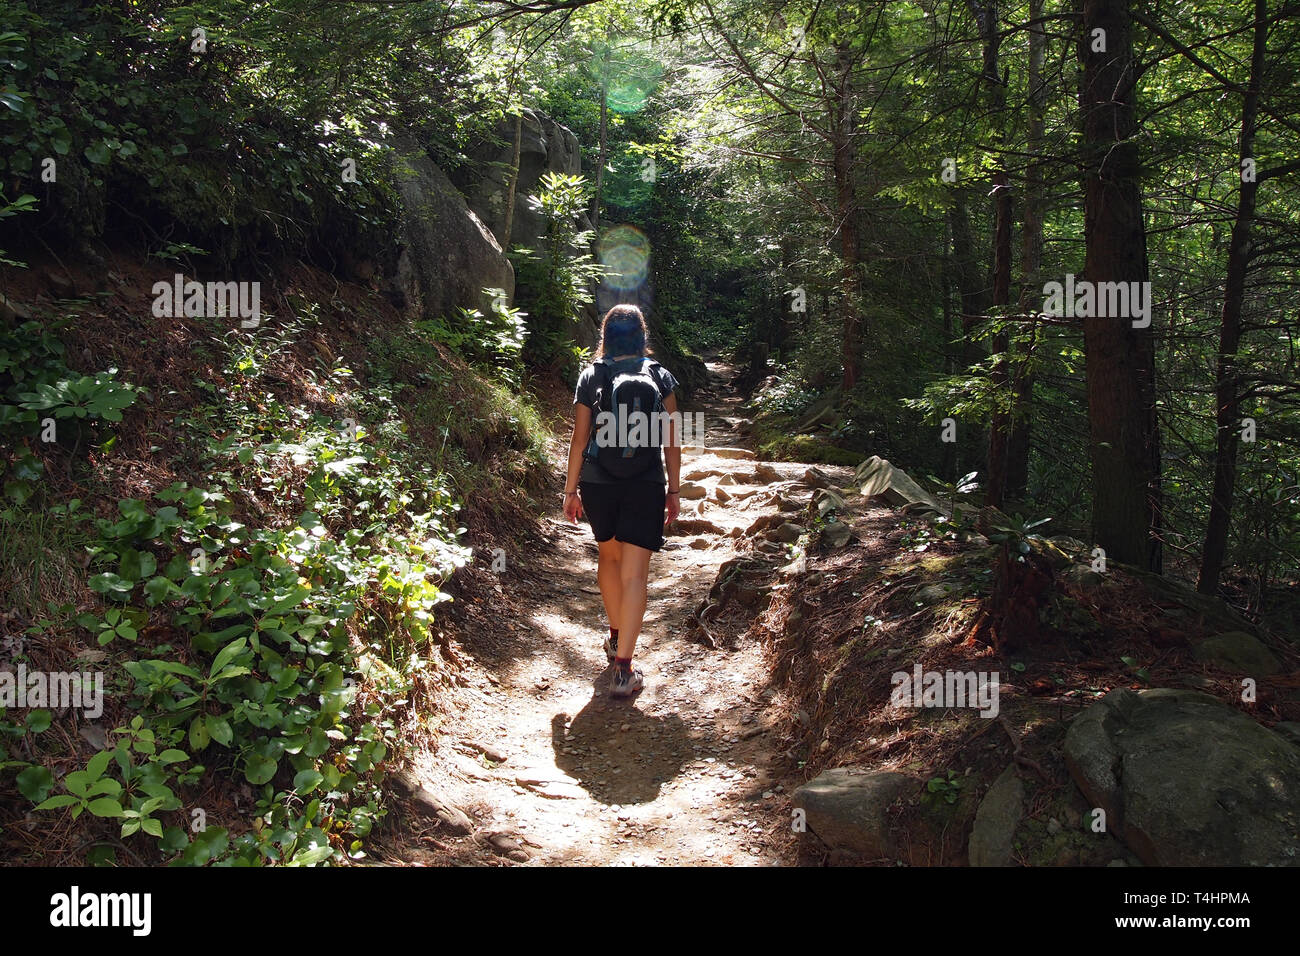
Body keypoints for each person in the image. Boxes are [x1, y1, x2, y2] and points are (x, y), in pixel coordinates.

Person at [563, 304, 681, 698]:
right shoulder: (660, 376)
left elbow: (580, 440)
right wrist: (674, 490)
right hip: (645, 483)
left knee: (609, 559)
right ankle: (624, 669)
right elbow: (672, 441)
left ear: (606, 336)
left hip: (599, 481)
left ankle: (615, 638)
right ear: (642, 336)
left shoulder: (591, 375)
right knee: (635, 575)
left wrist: (570, 490)